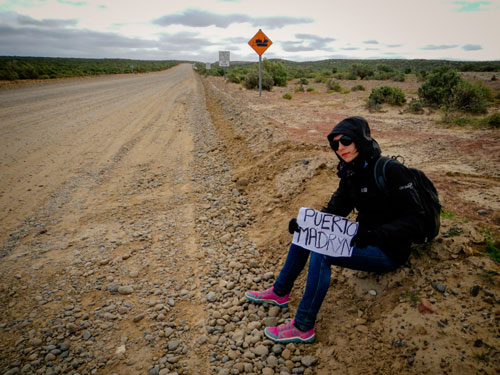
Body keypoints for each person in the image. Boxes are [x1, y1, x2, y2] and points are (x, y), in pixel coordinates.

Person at [245, 116, 427, 344]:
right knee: (306, 235)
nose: (340, 148)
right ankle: (280, 292)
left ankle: (303, 326)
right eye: (335, 144)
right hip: (363, 239)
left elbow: (416, 219)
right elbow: (335, 211)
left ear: (360, 140)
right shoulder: (350, 173)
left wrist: (374, 234)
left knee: (322, 253)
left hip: (389, 250)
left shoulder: (391, 170)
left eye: (346, 141)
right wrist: (304, 224)